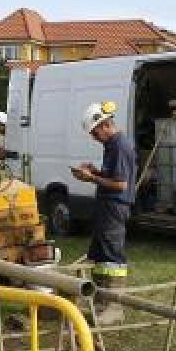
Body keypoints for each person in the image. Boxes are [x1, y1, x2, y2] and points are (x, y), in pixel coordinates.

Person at [71, 101, 136, 325]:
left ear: (105, 124)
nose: (94, 137)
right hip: (106, 205)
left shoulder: (119, 145)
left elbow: (121, 185)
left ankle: (114, 306)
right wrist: (95, 171)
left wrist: (91, 178)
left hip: (115, 206)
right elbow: (112, 176)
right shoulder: (111, 146)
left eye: (94, 133)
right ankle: (100, 302)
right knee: (99, 254)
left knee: (112, 255)